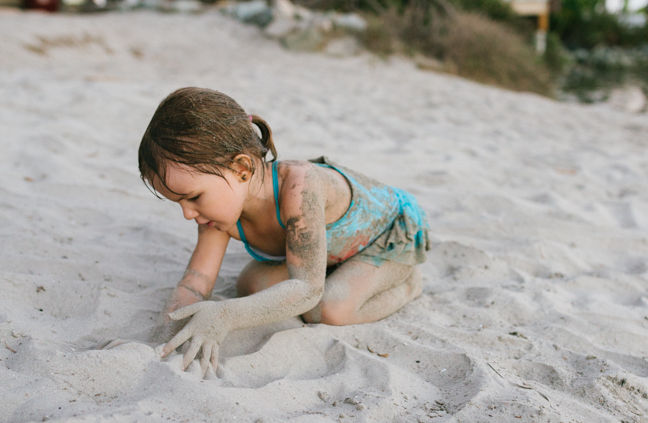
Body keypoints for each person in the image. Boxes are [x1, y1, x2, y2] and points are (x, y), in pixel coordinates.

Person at [138, 88, 430, 375]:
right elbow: (195, 283)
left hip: (386, 238)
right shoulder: (216, 217)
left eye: (193, 198)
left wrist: (225, 316)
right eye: (178, 202)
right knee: (251, 286)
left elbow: (307, 291)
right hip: (326, 252)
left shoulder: (299, 188)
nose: (188, 213)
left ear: (242, 168)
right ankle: (329, 269)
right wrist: (165, 336)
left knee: (329, 309)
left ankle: (408, 282)